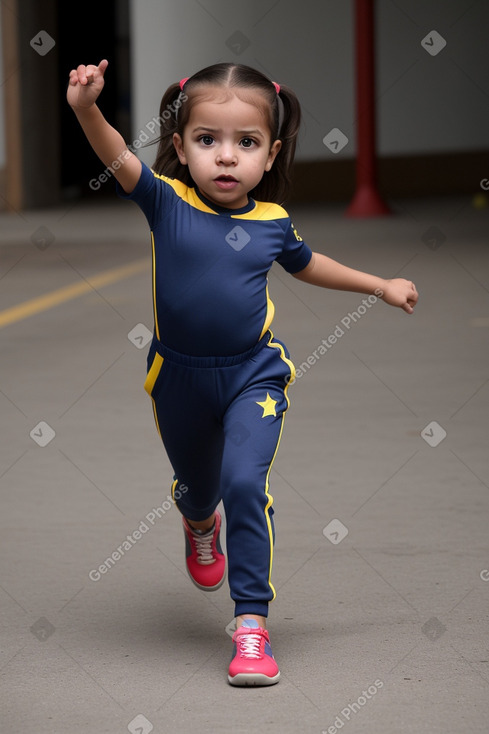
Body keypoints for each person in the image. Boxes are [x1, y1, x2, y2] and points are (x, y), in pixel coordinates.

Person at [67, 59, 418, 687]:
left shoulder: (272, 224)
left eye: (245, 142)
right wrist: (87, 109)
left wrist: (380, 285)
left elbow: (310, 265)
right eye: (208, 140)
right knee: (201, 488)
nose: (226, 158)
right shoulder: (164, 199)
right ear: (180, 146)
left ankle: (251, 625)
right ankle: (198, 521)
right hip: (178, 379)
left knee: (244, 483)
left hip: (253, 376)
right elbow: (116, 154)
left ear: (270, 152)